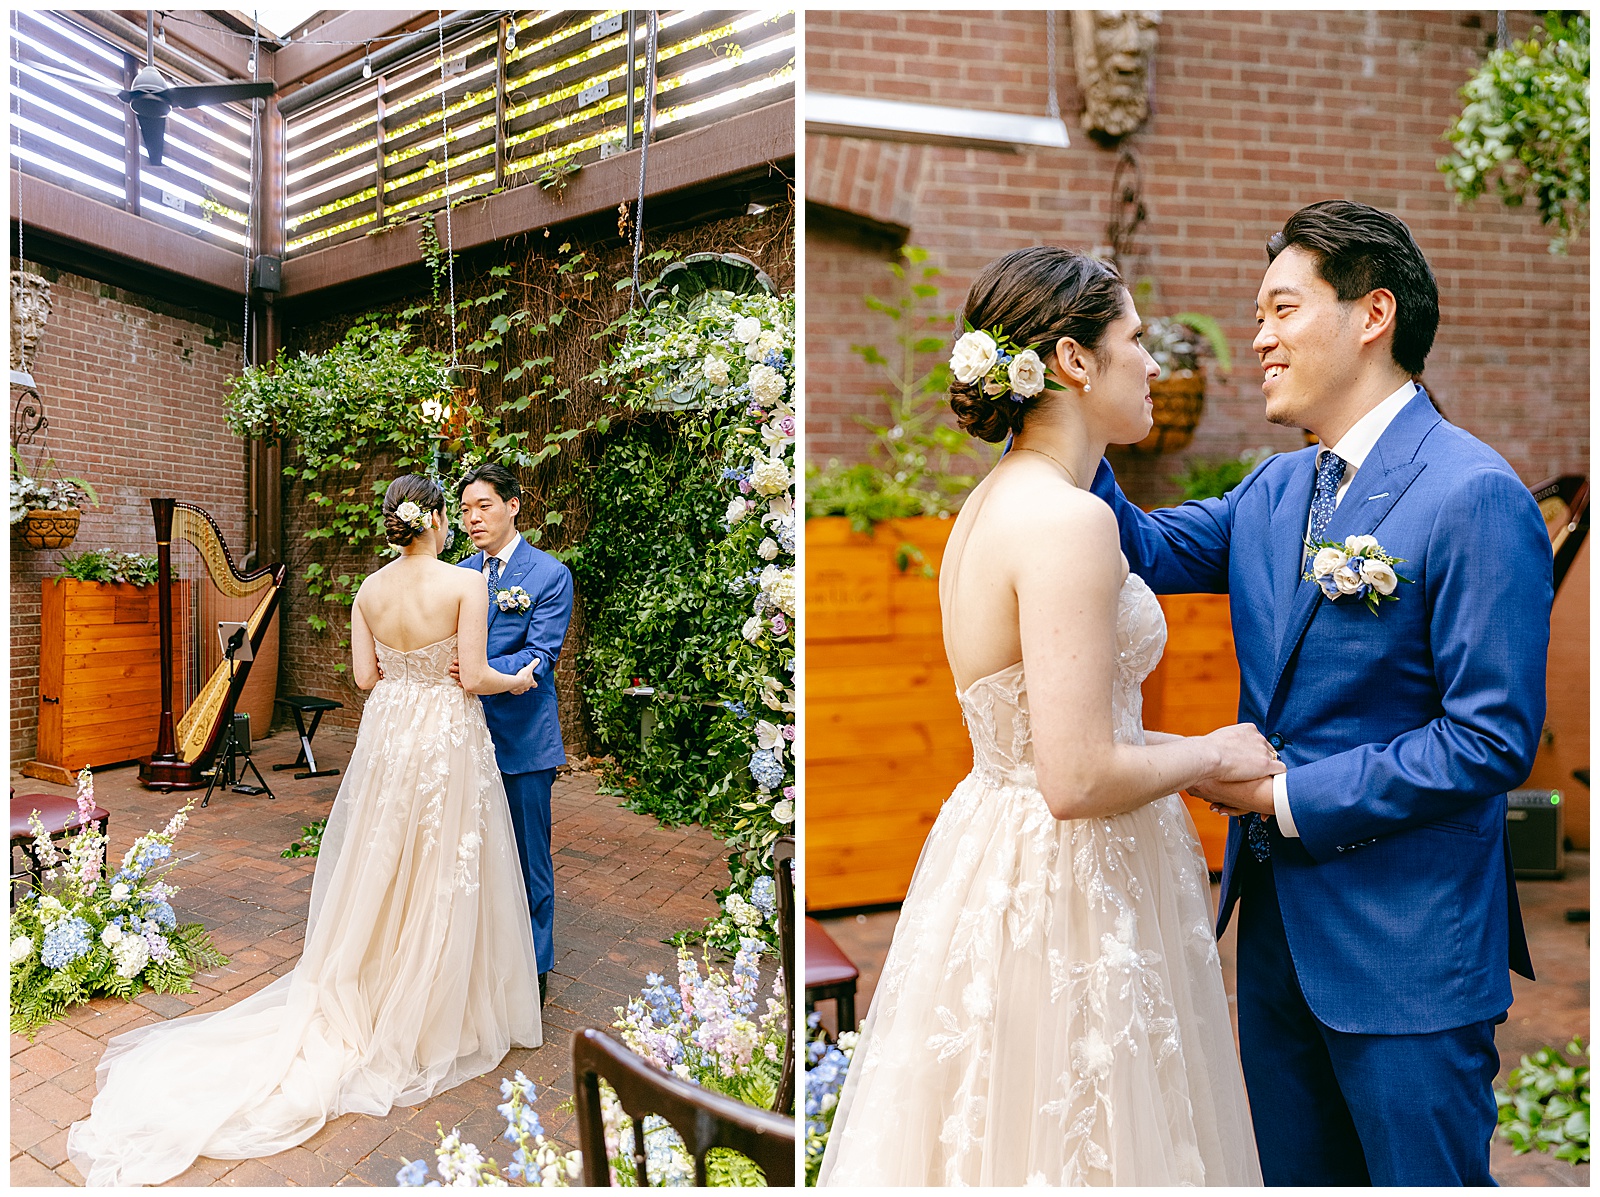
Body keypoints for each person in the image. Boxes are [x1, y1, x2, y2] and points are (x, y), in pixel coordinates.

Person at [1090, 201, 1551, 1185]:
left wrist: (1279, 798)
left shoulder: (1473, 493)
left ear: (1371, 314)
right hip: (1275, 953)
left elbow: (1490, 737)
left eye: (1281, 310)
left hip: (1409, 958)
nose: (1256, 338)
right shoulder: (1272, 490)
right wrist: (1061, 400)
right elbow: (1134, 545)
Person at [818, 246, 1271, 1186]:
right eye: (1136, 341)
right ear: (1072, 361)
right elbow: (1076, 777)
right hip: (1069, 881)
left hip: (997, 848)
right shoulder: (1069, 523)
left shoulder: (987, 506)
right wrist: (1211, 750)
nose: (1155, 365)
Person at [67, 475, 544, 1187]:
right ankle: (431, 997)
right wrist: (521, 678)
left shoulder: (368, 592)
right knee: (441, 859)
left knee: (382, 859)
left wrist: (411, 676)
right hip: (444, 732)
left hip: (391, 734)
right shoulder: (465, 585)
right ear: (437, 518)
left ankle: (376, 974)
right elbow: (473, 675)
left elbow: (362, 678)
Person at [452, 463, 574, 1007]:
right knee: (468, 850)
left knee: (529, 857)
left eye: (483, 506)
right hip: (461, 735)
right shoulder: (457, 574)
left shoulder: (549, 574)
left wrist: (476, 669)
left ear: (513, 505)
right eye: (464, 510)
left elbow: (541, 656)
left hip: (523, 739)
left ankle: (535, 970)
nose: (473, 518)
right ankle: (480, 959)